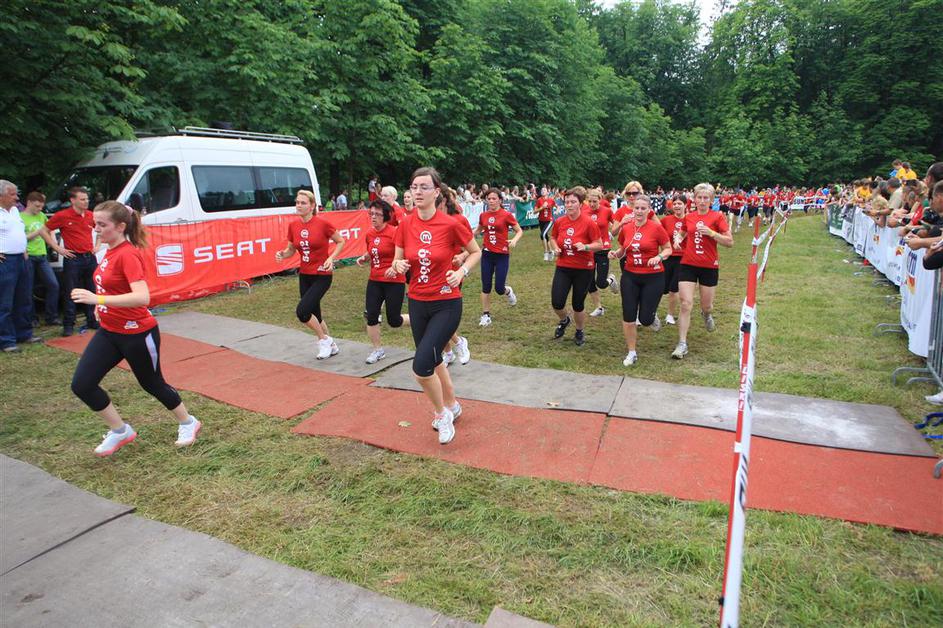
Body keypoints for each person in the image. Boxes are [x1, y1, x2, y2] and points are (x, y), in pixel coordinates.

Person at [70, 201, 200, 456]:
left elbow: (142, 297)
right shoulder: (108, 251)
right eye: (95, 223)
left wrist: (98, 299)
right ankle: (120, 431)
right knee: (82, 384)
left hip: (137, 332)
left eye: (102, 224)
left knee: (152, 383)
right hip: (109, 331)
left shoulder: (128, 254)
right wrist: (101, 306)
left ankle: (188, 422)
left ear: (120, 226)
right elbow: (111, 285)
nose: (96, 229)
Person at [392, 167, 481, 445]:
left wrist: (461, 271)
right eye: (414, 187)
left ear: (436, 192)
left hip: (446, 303)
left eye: (424, 187)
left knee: (421, 367)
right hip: (417, 301)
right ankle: (452, 404)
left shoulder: (451, 224)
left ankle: (442, 414)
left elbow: (475, 252)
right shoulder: (405, 224)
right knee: (434, 359)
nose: (417, 192)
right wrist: (398, 265)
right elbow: (397, 260)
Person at [275, 189, 346, 359]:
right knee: (316, 315)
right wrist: (282, 254)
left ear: (312, 206)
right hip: (305, 275)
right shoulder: (293, 225)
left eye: (303, 203)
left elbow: (340, 241)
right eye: (297, 202)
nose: (299, 205)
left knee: (303, 312)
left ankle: (323, 341)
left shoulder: (323, 224)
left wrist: (331, 258)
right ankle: (331, 345)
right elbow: (291, 250)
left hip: (322, 275)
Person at [671, 183, 733, 359]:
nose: (702, 201)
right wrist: (677, 239)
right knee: (685, 304)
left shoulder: (717, 216)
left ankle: (706, 314)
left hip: (709, 266)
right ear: (694, 199)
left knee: (707, 305)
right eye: (699, 197)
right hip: (688, 264)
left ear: (711, 200)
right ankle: (682, 344)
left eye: (706, 198)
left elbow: (729, 242)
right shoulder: (689, 217)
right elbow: (682, 232)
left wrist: (712, 233)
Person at [609, 194, 671, 365]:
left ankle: (651, 317)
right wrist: (615, 254)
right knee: (628, 314)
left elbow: (668, 249)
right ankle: (632, 352)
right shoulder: (627, 227)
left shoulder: (656, 228)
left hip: (653, 277)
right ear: (633, 209)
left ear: (649, 210)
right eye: (637, 208)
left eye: (643, 208)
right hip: (630, 275)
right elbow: (623, 248)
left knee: (645, 319)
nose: (639, 211)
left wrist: (658, 257)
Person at [356, 199, 408, 364]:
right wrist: (364, 257)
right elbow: (373, 250)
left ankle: (418, 318)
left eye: (377, 214)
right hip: (375, 280)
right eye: (371, 214)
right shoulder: (369, 234)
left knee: (394, 320)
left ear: (385, 216)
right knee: (371, 315)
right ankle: (377, 350)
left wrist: (395, 267)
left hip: (394, 281)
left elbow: (406, 254)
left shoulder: (395, 232)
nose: (373, 217)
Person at [549, 186, 602, 346]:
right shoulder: (560, 221)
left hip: (583, 269)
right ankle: (565, 320)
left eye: (573, 202)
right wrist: (555, 248)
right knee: (557, 302)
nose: (569, 205)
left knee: (578, 304)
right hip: (563, 266)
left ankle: (579, 330)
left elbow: (599, 244)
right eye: (567, 202)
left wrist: (585, 246)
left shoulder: (589, 223)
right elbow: (553, 237)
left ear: (580, 204)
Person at [45, 186, 98, 336]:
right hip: (73, 258)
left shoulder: (90, 215)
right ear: (73, 200)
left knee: (92, 289)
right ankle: (68, 323)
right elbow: (44, 230)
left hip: (89, 256)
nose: (86, 202)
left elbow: (100, 229)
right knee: (71, 291)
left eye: (87, 199)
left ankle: (92, 319)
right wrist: (57, 248)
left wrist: (98, 245)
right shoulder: (63, 215)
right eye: (82, 199)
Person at [0, 180, 41, 352]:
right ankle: (6, 340)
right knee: (5, 301)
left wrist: (23, 249)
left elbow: (19, 233)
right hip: (5, 261)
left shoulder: (16, 210)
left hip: (21, 258)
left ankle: (23, 333)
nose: (16, 198)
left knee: (23, 298)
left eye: (16, 194)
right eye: (12, 194)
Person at [474, 189, 522, 326]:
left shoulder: (506, 215)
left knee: (499, 288)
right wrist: (466, 236)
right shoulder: (483, 215)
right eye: (489, 199)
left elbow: (519, 230)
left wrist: (514, 240)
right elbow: (479, 230)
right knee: (486, 286)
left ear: (500, 200)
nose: (491, 201)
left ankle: (508, 291)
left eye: (494, 198)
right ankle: (486, 315)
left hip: (502, 255)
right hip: (487, 254)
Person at [22, 191, 67, 326]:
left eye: (41, 206)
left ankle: (51, 316)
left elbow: (50, 229)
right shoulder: (20, 217)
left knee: (53, 285)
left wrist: (53, 242)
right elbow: (20, 238)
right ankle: (32, 318)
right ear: (29, 203)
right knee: (28, 288)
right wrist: (39, 232)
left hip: (42, 255)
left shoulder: (41, 216)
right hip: (28, 256)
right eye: (37, 206)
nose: (40, 209)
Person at [584, 189, 617, 317]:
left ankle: (611, 279)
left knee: (601, 283)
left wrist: (611, 233)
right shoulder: (584, 211)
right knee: (589, 281)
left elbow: (616, 224)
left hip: (603, 250)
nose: (592, 204)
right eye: (590, 201)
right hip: (589, 250)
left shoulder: (607, 211)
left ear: (600, 200)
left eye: (594, 201)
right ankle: (599, 308)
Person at [658, 195, 686, 326]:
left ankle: (670, 315)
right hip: (667, 257)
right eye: (675, 204)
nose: (677, 206)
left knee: (674, 289)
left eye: (680, 203)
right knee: (660, 287)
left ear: (685, 205)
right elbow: (659, 236)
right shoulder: (666, 220)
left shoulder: (689, 220)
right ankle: (652, 312)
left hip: (683, 258)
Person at [536, 190, 556, 261]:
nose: (543, 191)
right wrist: (542, 207)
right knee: (545, 236)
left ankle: (546, 253)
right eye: (542, 190)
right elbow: (535, 211)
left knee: (542, 235)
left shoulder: (551, 200)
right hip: (541, 220)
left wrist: (556, 210)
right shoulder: (539, 200)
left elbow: (556, 206)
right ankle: (551, 251)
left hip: (549, 220)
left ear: (547, 192)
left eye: (544, 190)